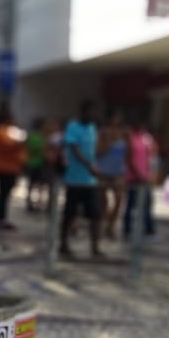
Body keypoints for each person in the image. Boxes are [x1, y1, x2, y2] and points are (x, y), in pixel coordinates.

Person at [59, 99, 102, 259]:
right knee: (70, 213)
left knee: (95, 214)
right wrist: (88, 166)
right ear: (83, 112)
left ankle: (95, 247)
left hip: (90, 181)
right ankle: (63, 243)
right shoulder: (73, 126)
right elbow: (74, 148)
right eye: (90, 111)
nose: (92, 115)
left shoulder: (92, 128)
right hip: (74, 178)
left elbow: (93, 149)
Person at [0, 106, 25, 231]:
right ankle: (0, 219)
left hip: (10, 167)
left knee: (4, 194)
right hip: (5, 168)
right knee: (3, 194)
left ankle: (2, 218)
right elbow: (8, 146)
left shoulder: (7, 131)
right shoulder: (1, 132)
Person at [122, 116, 158, 239]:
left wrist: (149, 173)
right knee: (131, 203)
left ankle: (148, 228)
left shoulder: (145, 138)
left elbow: (151, 155)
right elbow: (129, 158)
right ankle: (127, 229)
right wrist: (137, 174)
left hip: (144, 175)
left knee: (147, 202)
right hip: (133, 176)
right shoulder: (130, 138)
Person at [96, 109, 127, 240]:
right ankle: (104, 223)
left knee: (119, 198)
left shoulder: (123, 133)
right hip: (103, 170)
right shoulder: (102, 132)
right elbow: (98, 151)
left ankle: (111, 225)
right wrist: (107, 143)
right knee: (104, 200)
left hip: (117, 171)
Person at [23, 117, 47, 212]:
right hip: (38, 163)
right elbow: (43, 149)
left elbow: (26, 148)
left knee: (31, 184)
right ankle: (38, 202)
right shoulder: (41, 136)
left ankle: (30, 202)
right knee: (39, 184)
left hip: (31, 162)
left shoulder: (31, 135)